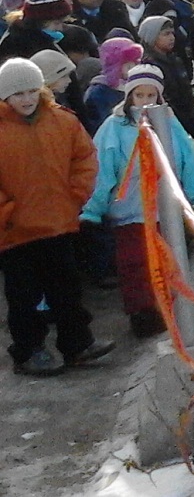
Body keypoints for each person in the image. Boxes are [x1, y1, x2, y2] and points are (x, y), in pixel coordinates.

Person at [81, 64, 194, 337]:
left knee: (169, 261)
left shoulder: (169, 123)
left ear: (159, 96)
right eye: (139, 95)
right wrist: (92, 209)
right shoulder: (114, 127)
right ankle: (141, 314)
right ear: (129, 96)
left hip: (164, 210)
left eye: (150, 95)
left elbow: (188, 161)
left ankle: (168, 308)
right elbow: (101, 170)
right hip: (128, 212)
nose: (145, 101)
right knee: (134, 265)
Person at [0, 58, 112, 376]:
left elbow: (84, 159)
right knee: (24, 297)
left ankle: (77, 343)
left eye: (31, 90)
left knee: (67, 288)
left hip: (59, 223)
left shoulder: (62, 121)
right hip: (15, 233)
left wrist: (74, 197)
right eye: (17, 93)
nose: (26, 99)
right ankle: (28, 350)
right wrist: (8, 214)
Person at [138, 14, 194, 137]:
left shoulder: (175, 60)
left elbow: (187, 93)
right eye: (166, 34)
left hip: (184, 124)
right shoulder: (148, 65)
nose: (172, 38)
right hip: (165, 126)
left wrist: (193, 118)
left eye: (172, 33)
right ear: (152, 37)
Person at [83, 37, 144, 136]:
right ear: (115, 67)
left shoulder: (134, 86)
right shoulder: (99, 92)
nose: (134, 69)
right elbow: (99, 124)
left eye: (136, 64)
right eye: (129, 66)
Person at [0, 0, 73, 61]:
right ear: (38, 22)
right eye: (56, 23)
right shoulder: (17, 45)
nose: (60, 28)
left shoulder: (40, 39)